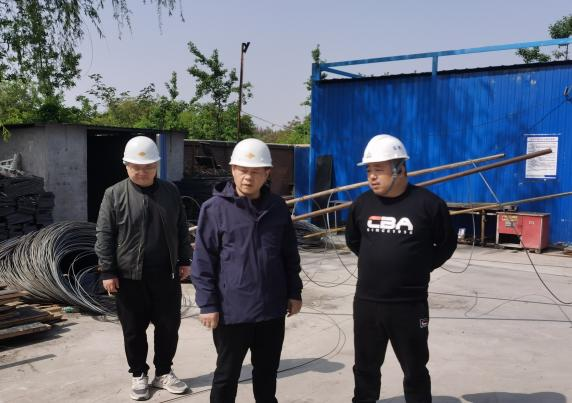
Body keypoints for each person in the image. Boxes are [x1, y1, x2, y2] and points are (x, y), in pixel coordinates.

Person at [345, 134, 457, 403]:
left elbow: (446, 244)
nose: (372, 177)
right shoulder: (362, 205)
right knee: (365, 368)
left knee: (415, 369)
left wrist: (419, 265)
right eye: (369, 170)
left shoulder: (429, 205)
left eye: (379, 170)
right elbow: (354, 241)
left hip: (409, 304)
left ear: (400, 168)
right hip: (368, 303)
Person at [191, 138, 303, 403]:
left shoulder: (277, 207)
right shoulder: (214, 209)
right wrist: (208, 304)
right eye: (243, 170)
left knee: (267, 373)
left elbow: (289, 255)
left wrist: (294, 292)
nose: (248, 177)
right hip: (232, 312)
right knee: (226, 375)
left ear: (267, 173)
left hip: (271, 310)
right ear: (233, 169)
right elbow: (203, 261)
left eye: (255, 171)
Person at [95, 136, 192, 401]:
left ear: (156, 165)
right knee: (133, 330)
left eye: (148, 166)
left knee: (168, 326)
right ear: (126, 165)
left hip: (166, 274)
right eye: (136, 166)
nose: (142, 171)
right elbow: (104, 234)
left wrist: (185, 260)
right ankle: (139, 374)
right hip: (129, 277)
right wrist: (108, 271)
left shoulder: (170, 192)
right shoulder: (114, 194)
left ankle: (164, 372)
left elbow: (181, 228)